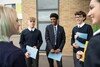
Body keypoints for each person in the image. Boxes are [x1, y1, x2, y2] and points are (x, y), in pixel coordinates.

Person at [77, 0, 100, 67]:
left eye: (92, 7)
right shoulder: (74, 28)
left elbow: (89, 39)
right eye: (76, 17)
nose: (89, 14)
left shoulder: (89, 28)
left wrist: (82, 59)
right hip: (79, 51)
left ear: (84, 18)